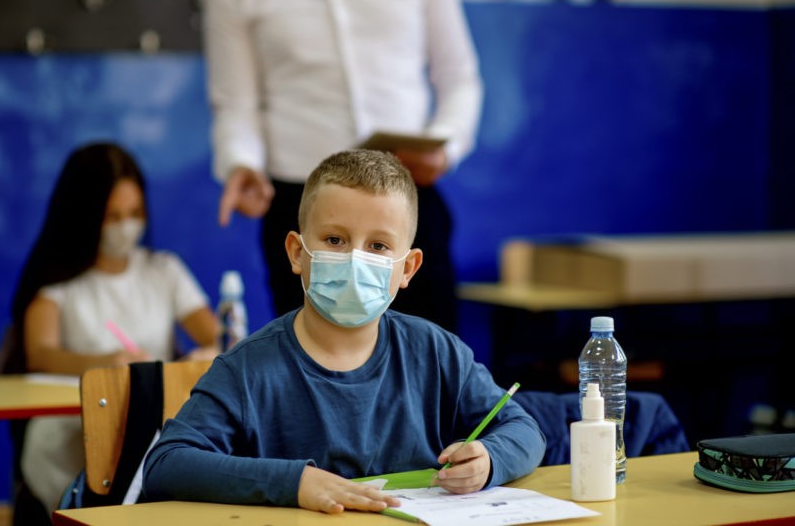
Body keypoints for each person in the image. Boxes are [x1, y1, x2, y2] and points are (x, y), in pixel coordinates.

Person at [143, 150, 544, 514]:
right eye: (335, 240)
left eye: (379, 246)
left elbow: (525, 430)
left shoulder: (437, 352)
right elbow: (167, 464)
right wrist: (294, 483)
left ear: (408, 268)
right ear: (298, 253)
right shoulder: (247, 369)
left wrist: (489, 460)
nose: (356, 260)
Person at [205, 0, 483, 332]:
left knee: (428, 361)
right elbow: (235, 101)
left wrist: (445, 149)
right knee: (308, 367)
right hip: (301, 203)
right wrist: (241, 162)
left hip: (405, 194)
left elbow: (459, 78)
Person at [4, 142, 221, 521]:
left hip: (151, 432)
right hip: (70, 443)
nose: (126, 227)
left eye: (135, 213)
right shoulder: (58, 285)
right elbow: (39, 353)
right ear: (84, 216)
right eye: (112, 216)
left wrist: (206, 352)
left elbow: (212, 334)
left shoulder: (163, 270)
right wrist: (107, 365)